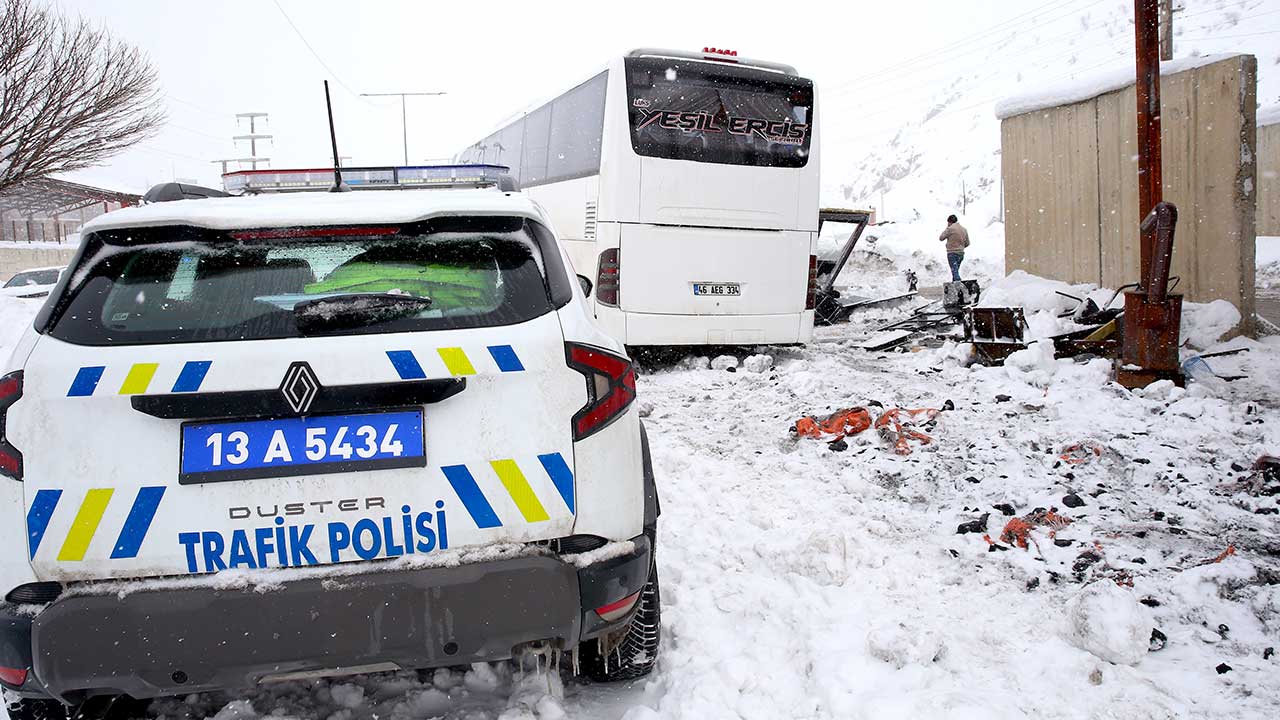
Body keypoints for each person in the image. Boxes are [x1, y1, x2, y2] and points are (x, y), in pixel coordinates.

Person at [939, 214, 970, 282]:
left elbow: (941, 238)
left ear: (949, 222)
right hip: (961, 253)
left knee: (954, 271)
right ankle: (955, 286)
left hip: (952, 253)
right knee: (955, 271)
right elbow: (967, 243)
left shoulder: (950, 229)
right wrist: (960, 246)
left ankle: (958, 284)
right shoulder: (964, 229)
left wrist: (947, 228)